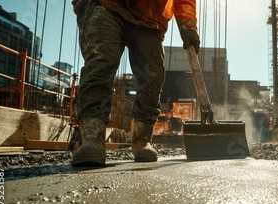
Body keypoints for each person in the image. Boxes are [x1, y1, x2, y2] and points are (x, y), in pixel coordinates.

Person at [71, 0, 200, 166]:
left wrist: (188, 26)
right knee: (100, 65)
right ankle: (92, 139)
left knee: (152, 78)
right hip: (108, 6)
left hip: (150, 19)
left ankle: (142, 141)